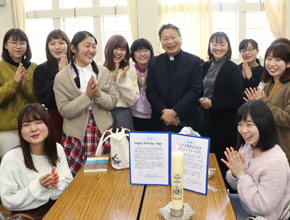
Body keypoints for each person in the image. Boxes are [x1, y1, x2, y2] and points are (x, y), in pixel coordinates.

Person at [54, 31, 117, 176]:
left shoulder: (103, 72)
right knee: (78, 178)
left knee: (104, 176)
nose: (91, 50)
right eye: (87, 46)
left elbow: (112, 102)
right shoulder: (62, 77)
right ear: (73, 48)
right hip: (76, 134)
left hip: (102, 130)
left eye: (94, 46)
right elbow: (64, 110)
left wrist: (98, 94)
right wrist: (87, 96)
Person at [0, 103, 73, 220]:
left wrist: (55, 184)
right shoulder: (11, 158)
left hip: (59, 209)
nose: (33, 129)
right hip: (28, 216)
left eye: (38, 122)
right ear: (20, 130)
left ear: (48, 124)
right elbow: (8, 201)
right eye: (26, 125)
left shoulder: (57, 148)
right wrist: (39, 185)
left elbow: (69, 184)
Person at [221, 100, 290, 220]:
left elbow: (262, 207)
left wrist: (241, 175)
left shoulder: (276, 162)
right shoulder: (248, 146)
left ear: (263, 124)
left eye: (249, 124)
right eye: (240, 124)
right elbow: (236, 185)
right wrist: (234, 172)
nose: (243, 130)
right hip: (245, 205)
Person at [199, 32, 244, 178]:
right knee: (205, 159)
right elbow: (198, 89)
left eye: (222, 44)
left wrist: (212, 103)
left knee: (220, 162)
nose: (218, 47)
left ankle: (222, 195)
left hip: (224, 124)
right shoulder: (205, 66)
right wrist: (200, 100)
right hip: (204, 120)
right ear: (210, 46)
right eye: (214, 44)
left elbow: (237, 98)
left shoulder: (232, 68)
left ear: (228, 47)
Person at [146, 23, 203, 132]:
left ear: (181, 39)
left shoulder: (194, 61)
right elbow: (150, 91)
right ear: (161, 43)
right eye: (165, 39)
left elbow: (195, 90)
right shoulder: (154, 62)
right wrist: (165, 112)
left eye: (173, 37)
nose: (170, 42)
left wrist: (174, 112)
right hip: (160, 119)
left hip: (187, 119)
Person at [244, 42, 290, 163]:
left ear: (288, 63)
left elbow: (287, 119)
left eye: (278, 59)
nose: (272, 63)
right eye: (269, 59)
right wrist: (254, 106)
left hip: (284, 151)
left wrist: (263, 103)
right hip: (267, 147)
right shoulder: (268, 86)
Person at [0, 28, 38, 158]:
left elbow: (39, 99)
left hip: (33, 125)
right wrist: (15, 82)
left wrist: (24, 87)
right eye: (14, 42)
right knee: (12, 164)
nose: (18, 46)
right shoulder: (0, 68)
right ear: (5, 45)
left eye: (22, 43)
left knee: (34, 161)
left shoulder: (34, 67)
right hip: (8, 129)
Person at [33, 29, 71, 143]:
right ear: (47, 47)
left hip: (76, 116)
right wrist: (60, 75)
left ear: (68, 45)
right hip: (54, 118)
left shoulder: (76, 66)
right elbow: (46, 99)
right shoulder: (40, 69)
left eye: (61, 43)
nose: (57, 47)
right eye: (52, 43)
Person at [102, 35, 139, 131]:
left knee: (125, 144)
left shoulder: (130, 69)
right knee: (104, 144)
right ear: (108, 49)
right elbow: (97, 95)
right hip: (103, 113)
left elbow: (132, 100)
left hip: (123, 114)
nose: (119, 52)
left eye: (122, 49)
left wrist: (122, 80)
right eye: (115, 48)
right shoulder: (99, 68)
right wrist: (112, 80)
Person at [129, 38, 154, 131]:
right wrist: (138, 87)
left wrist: (148, 85)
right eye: (138, 51)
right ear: (133, 54)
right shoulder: (128, 70)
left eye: (146, 50)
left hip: (154, 115)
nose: (142, 54)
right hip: (134, 115)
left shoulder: (156, 69)